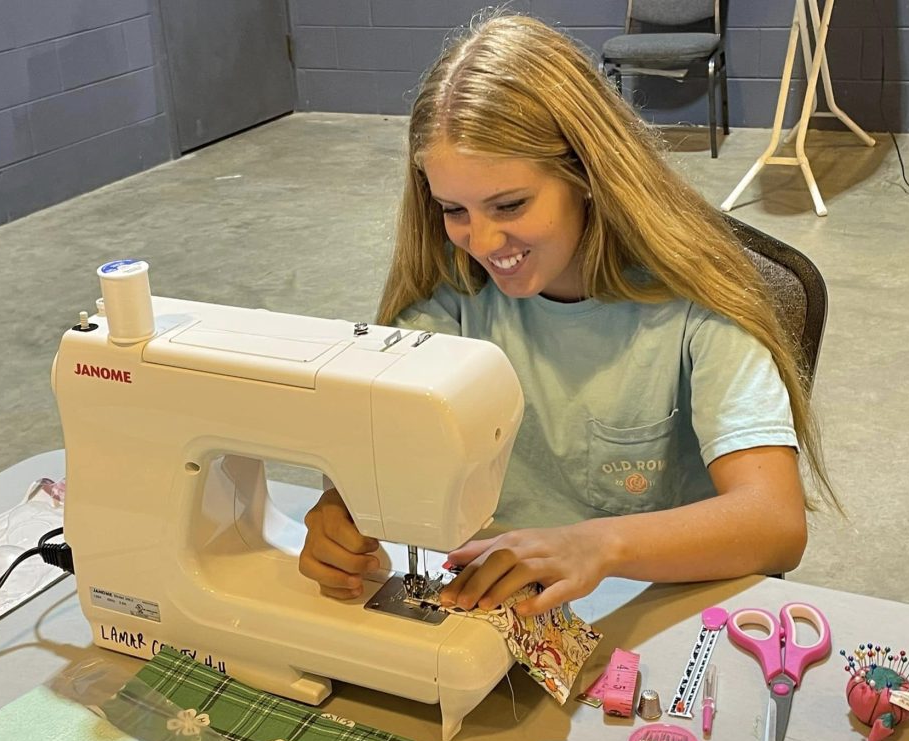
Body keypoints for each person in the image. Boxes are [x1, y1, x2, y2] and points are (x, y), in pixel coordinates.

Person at [299, 12, 836, 617]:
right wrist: (342, 514)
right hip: (499, 607)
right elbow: (380, 449)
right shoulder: (450, 303)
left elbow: (774, 520)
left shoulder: (695, 308)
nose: (482, 240)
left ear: (585, 173)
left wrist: (595, 547)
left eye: (510, 204)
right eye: (454, 209)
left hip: (652, 608)